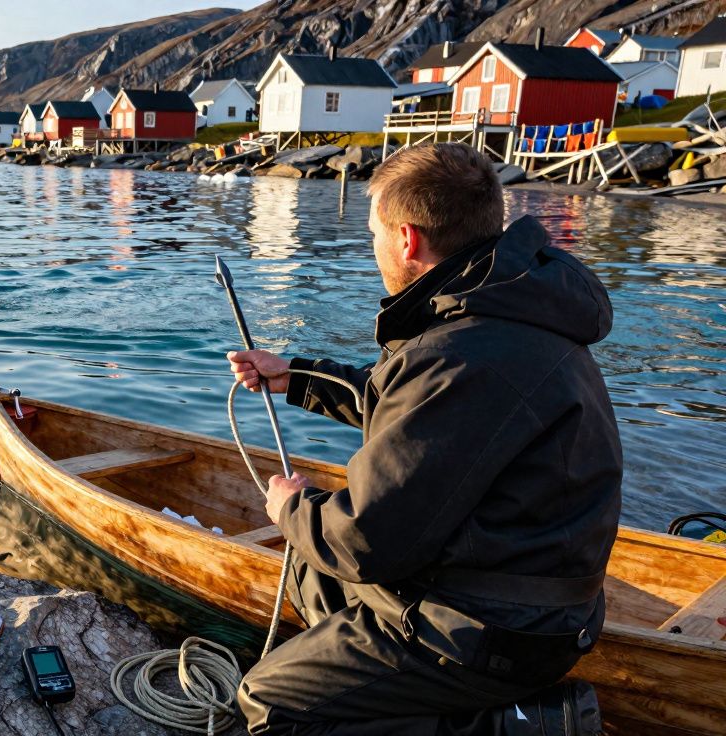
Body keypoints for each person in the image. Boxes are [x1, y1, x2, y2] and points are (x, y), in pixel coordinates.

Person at [228, 142, 621, 735]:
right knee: (313, 582)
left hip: (491, 627)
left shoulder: (460, 353)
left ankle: (517, 726)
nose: (375, 250)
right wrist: (295, 378)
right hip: (534, 602)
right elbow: (414, 407)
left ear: (408, 240)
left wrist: (289, 508)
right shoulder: (510, 311)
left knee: (266, 705)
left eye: (375, 235)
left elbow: (364, 540)